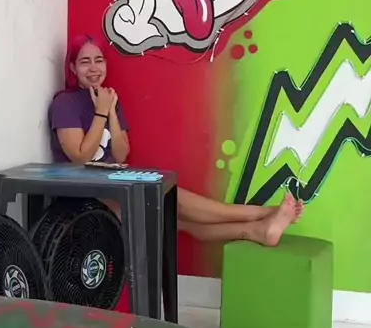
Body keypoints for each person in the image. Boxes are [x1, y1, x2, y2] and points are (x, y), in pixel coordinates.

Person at [48, 35, 303, 248]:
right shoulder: (65, 103)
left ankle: (258, 231)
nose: (94, 68)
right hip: (87, 199)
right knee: (173, 201)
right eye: (84, 62)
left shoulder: (108, 98)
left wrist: (111, 110)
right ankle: (264, 213)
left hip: (117, 187)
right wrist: (102, 112)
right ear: (72, 68)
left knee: (179, 219)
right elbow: (80, 157)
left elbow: (122, 154)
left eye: (99, 60)